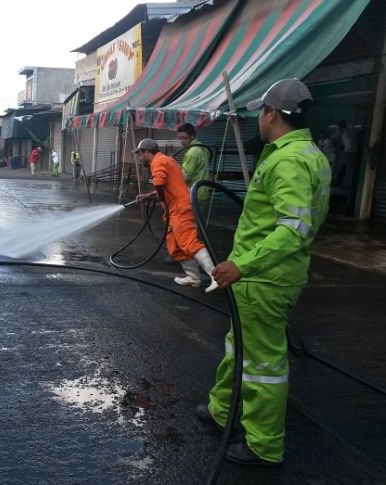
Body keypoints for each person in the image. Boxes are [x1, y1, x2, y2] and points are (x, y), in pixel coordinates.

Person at [200, 79, 331, 466]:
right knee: (238, 346)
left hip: (262, 278)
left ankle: (264, 444)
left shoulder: (289, 160)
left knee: (262, 366)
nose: (260, 116)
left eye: (261, 110)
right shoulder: (309, 154)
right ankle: (222, 409)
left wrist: (243, 264)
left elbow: (294, 228)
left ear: (272, 113)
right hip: (263, 278)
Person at [134, 138, 218, 292]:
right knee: (175, 246)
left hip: (180, 209)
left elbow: (159, 182)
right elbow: (167, 186)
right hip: (173, 210)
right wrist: (148, 196)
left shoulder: (157, 162)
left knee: (189, 242)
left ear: (146, 152)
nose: (140, 158)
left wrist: (159, 196)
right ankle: (193, 277)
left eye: (140, 154)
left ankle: (216, 277)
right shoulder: (166, 160)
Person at [177, 123, 211, 209]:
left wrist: (175, 168)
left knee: (189, 221)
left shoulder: (192, 152)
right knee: (199, 221)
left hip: (192, 193)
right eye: (179, 138)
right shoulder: (203, 148)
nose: (181, 141)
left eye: (184, 138)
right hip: (203, 192)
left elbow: (185, 177)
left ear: (192, 136)